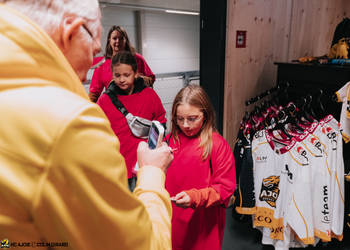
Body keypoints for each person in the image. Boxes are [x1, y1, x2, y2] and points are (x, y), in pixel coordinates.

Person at [0, 1, 173, 249]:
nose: (85, 74)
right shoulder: (69, 124)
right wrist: (152, 173)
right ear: (71, 31)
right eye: (91, 55)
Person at [165, 85, 236, 250]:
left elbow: (224, 189)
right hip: (172, 222)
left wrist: (194, 198)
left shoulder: (217, 145)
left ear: (205, 115)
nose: (185, 125)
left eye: (192, 118)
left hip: (203, 223)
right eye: (179, 118)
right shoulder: (169, 141)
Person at [97, 51, 166, 190]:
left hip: (144, 165)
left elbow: (161, 120)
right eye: (117, 75)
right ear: (112, 75)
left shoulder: (149, 95)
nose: (122, 79)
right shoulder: (104, 100)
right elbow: (97, 130)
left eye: (126, 75)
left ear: (135, 74)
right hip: (116, 166)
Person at [89, 25, 155, 102]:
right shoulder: (102, 64)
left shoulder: (137, 58)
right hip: (114, 107)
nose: (118, 41)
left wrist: (138, 80)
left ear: (125, 40)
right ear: (109, 40)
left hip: (138, 105)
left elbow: (151, 78)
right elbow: (94, 93)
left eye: (121, 38)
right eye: (114, 38)